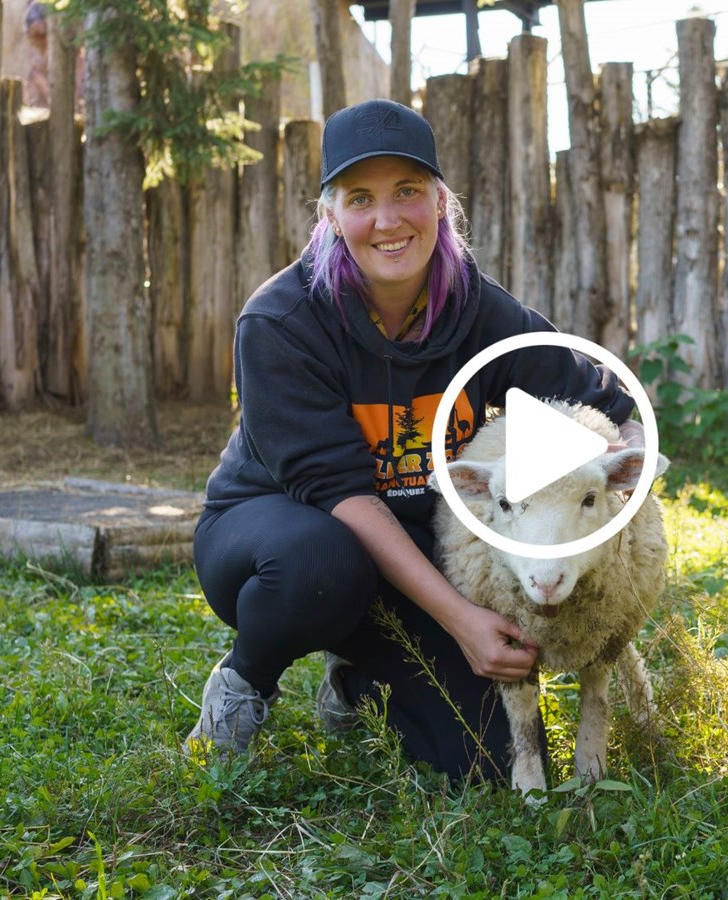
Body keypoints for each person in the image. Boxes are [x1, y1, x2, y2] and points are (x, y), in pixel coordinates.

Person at [186, 98, 645, 782]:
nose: (388, 219)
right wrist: (462, 619)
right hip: (279, 540)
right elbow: (341, 495)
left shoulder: (477, 310)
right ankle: (245, 681)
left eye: (407, 192)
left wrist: (625, 479)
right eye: (361, 198)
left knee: (485, 761)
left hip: (415, 554)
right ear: (331, 216)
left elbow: (605, 395)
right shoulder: (282, 322)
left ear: (439, 203)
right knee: (322, 564)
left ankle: (356, 681)